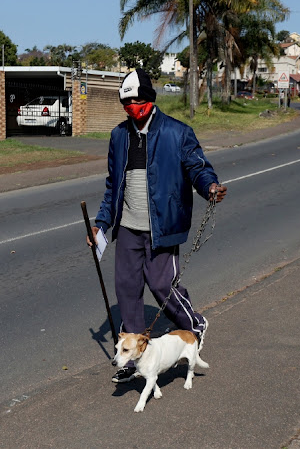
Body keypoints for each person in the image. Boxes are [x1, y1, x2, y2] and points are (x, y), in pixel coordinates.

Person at [87, 68, 227, 383]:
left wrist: (210, 187)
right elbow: (114, 186)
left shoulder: (178, 133)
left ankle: (194, 325)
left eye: (137, 100)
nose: (132, 106)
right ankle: (132, 358)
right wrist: (102, 225)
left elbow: (197, 167)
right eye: (127, 102)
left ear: (149, 99)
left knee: (162, 285)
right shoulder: (119, 136)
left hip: (162, 226)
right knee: (127, 289)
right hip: (128, 228)